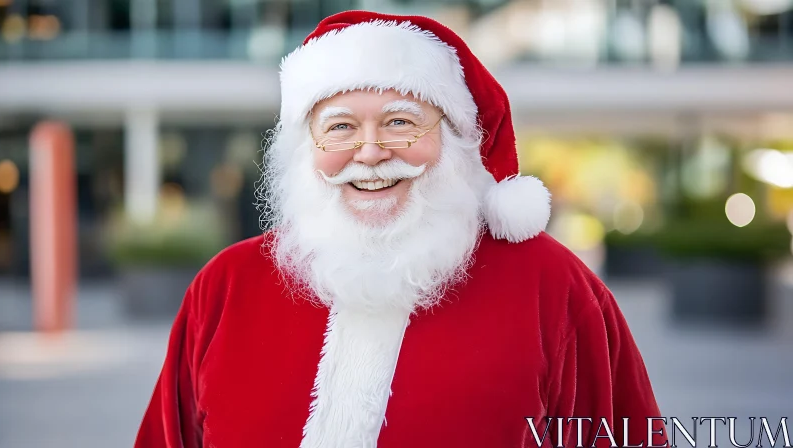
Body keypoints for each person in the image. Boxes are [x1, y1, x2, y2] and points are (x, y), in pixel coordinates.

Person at [135, 10, 666, 448]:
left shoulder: (556, 287)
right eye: (340, 126)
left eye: (400, 122)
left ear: (456, 140)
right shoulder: (227, 285)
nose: (370, 153)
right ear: (306, 149)